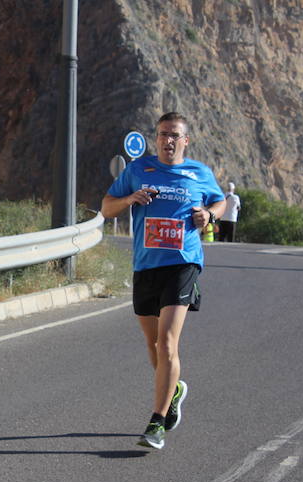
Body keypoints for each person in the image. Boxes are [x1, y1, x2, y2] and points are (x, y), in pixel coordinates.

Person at [100, 112, 224, 450]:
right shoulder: (139, 170)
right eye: (162, 134)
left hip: (183, 263)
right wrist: (130, 199)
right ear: (156, 138)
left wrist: (209, 215)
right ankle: (176, 389)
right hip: (146, 265)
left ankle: (157, 421)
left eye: (174, 135)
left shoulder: (199, 173)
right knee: (153, 345)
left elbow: (219, 200)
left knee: (168, 343)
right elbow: (107, 207)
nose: (168, 140)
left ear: (185, 141)